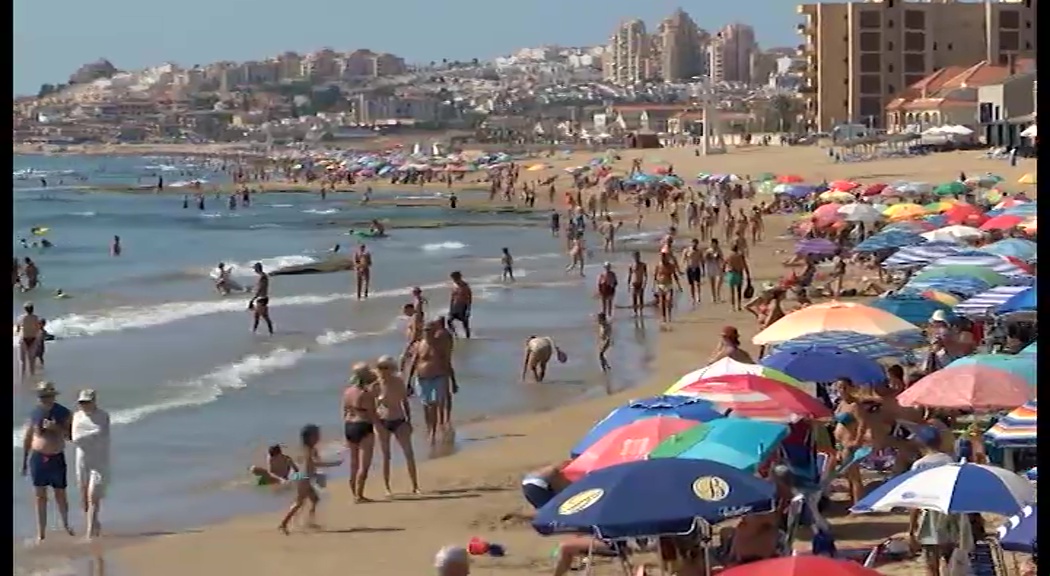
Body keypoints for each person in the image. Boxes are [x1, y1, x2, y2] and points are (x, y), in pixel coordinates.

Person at [20, 381, 75, 542]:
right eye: (42, 397)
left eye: (48, 396)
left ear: (53, 396)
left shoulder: (63, 412)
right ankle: (41, 532)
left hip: (56, 457)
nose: (45, 399)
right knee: (40, 496)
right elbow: (28, 436)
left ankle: (66, 524)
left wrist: (55, 428)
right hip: (38, 458)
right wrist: (24, 461)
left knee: (60, 493)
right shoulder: (34, 413)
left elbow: (70, 436)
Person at [907, 426, 957, 576]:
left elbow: (915, 498)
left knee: (931, 564)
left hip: (928, 514)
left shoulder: (919, 465)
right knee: (951, 561)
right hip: (948, 513)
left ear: (920, 444)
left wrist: (911, 528)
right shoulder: (949, 460)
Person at [277, 424, 342, 534]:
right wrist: (334, 463)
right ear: (310, 437)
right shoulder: (308, 450)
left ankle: (309, 521)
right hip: (304, 478)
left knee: (315, 499)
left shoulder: (309, 449)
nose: (319, 437)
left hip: (303, 477)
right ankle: (283, 524)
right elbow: (314, 464)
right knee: (299, 502)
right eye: (316, 435)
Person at [373, 355, 420, 496]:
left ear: (391, 369)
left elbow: (405, 402)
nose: (382, 371)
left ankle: (415, 486)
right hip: (383, 422)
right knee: (386, 456)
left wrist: (409, 421)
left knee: (409, 453)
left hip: (399, 419)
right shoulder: (376, 385)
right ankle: (387, 487)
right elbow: (372, 407)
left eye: (385, 367)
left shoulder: (398, 382)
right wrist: (376, 424)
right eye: (380, 368)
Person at [71, 389, 111, 539]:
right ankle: (94, 523)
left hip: (99, 461)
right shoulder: (77, 416)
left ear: (94, 401)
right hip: (82, 460)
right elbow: (76, 438)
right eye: (82, 403)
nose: (84, 405)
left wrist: (89, 436)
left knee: (93, 495)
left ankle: (89, 533)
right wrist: (92, 435)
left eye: (87, 402)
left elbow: (102, 433)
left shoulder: (103, 416)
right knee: (84, 497)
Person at [406, 323, 452, 447]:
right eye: (425, 330)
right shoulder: (419, 345)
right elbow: (414, 362)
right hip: (422, 379)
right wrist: (408, 381)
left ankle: (433, 431)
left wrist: (452, 381)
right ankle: (429, 427)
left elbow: (447, 362)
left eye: (429, 330)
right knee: (426, 406)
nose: (427, 332)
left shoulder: (440, 345)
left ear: (434, 331)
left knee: (434, 405)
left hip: (438, 378)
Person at [342, 363, 379, 503]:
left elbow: (344, 411)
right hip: (363, 425)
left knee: (353, 463)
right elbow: (372, 414)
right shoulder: (365, 394)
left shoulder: (347, 392)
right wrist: (381, 428)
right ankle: (359, 495)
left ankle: (353, 492)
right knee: (364, 465)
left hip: (349, 426)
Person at [652, 250, 682, 325]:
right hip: (660, 285)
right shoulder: (658, 265)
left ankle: (669, 315)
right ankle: (664, 317)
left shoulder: (670, 266)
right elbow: (655, 276)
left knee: (668, 301)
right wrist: (654, 286)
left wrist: (679, 286)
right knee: (662, 302)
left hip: (669, 284)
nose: (662, 258)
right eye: (661, 257)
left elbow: (674, 275)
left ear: (667, 258)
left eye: (664, 257)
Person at [15, 301, 44, 377]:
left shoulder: (20, 318)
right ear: (32, 309)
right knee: (32, 361)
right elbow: (38, 329)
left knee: (22, 361)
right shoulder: (36, 318)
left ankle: (22, 377)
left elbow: (17, 330)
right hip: (33, 339)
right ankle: (32, 377)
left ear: (25, 309)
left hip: (23, 339)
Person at [723, 244, 751, 312]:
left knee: (732, 291)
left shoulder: (729, 256)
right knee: (739, 291)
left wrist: (724, 271)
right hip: (739, 273)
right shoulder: (740, 256)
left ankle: (733, 307)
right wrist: (748, 274)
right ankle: (739, 306)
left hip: (731, 273)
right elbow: (745, 265)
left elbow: (724, 264)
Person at [249, 262, 273, 335]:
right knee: (256, 316)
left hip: (262, 299)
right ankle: (254, 331)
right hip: (261, 298)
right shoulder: (263, 276)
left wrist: (253, 299)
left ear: (257, 268)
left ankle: (271, 332)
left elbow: (260, 288)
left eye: (255, 268)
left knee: (265, 317)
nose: (254, 270)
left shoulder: (262, 277)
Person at [447, 271, 473, 339]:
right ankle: (455, 335)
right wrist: (451, 308)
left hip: (463, 306)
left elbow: (469, 297)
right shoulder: (454, 285)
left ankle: (468, 337)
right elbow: (452, 297)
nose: (453, 280)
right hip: (455, 306)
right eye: (452, 278)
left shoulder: (465, 286)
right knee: (449, 321)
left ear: (458, 277)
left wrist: (468, 309)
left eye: (454, 278)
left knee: (465, 323)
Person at [681, 238, 705, 305]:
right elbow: (683, 259)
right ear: (691, 243)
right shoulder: (687, 250)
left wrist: (703, 270)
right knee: (691, 284)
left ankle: (698, 296)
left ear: (697, 244)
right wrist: (682, 268)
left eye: (696, 243)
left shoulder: (699, 251)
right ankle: (693, 298)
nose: (694, 245)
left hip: (697, 267)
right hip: (689, 268)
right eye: (693, 243)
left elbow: (702, 261)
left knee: (698, 283)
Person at [626, 251, 649, 320]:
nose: (636, 258)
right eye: (635, 256)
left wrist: (645, 283)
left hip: (640, 282)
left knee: (641, 298)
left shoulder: (643, 265)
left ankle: (641, 312)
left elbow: (645, 275)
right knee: (634, 298)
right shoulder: (631, 265)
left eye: (638, 256)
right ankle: (635, 313)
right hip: (633, 283)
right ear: (633, 257)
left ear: (639, 256)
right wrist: (628, 284)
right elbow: (629, 275)